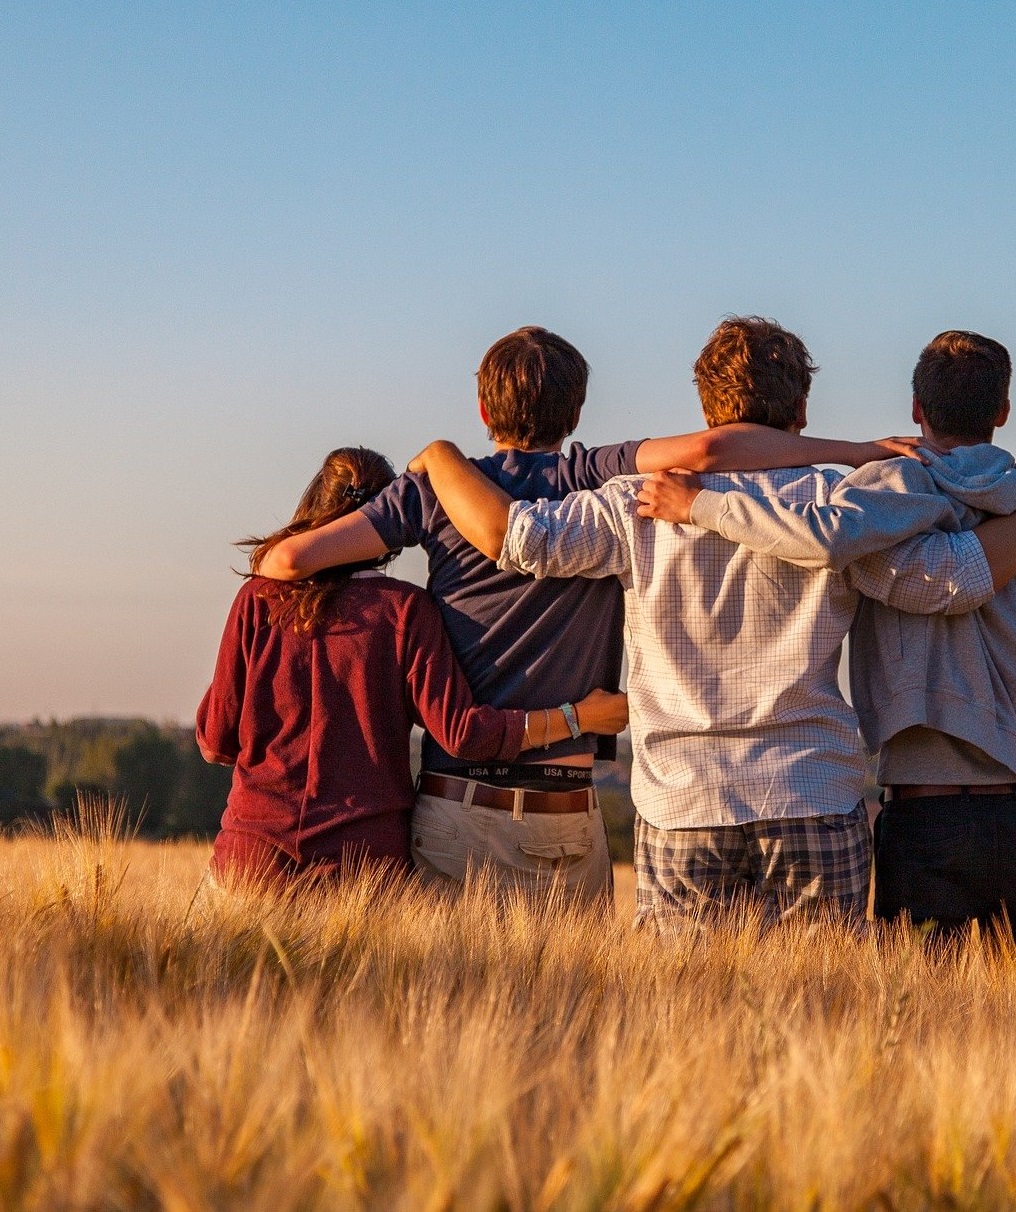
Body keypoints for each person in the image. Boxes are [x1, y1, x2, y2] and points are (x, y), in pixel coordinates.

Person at [407, 318, 1016, 931]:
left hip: (681, 801)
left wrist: (439, 457)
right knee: (820, 1018)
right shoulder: (839, 504)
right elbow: (948, 584)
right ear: (800, 411)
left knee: (683, 1019)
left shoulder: (634, 502)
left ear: (704, 409)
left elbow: (516, 539)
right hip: (810, 789)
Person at [254, 326, 937, 901]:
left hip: (469, 798)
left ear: (482, 409)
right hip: (581, 801)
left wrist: (434, 464)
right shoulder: (593, 474)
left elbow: (288, 564)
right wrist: (858, 452)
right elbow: (711, 451)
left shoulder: (439, 492)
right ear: (576, 410)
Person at [638, 330, 1016, 946]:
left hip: (923, 817)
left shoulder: (875, 505)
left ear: (917, 409)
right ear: (1002, 412)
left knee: (918, 1025)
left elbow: (820, 537)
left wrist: (702, 505)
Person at [196, 446, 628, 889]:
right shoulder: (405, 611)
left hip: (252, 858)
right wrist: (580, 717)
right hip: (363, 869)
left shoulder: (258, 600)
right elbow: (463, 734)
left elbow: (215, 741)